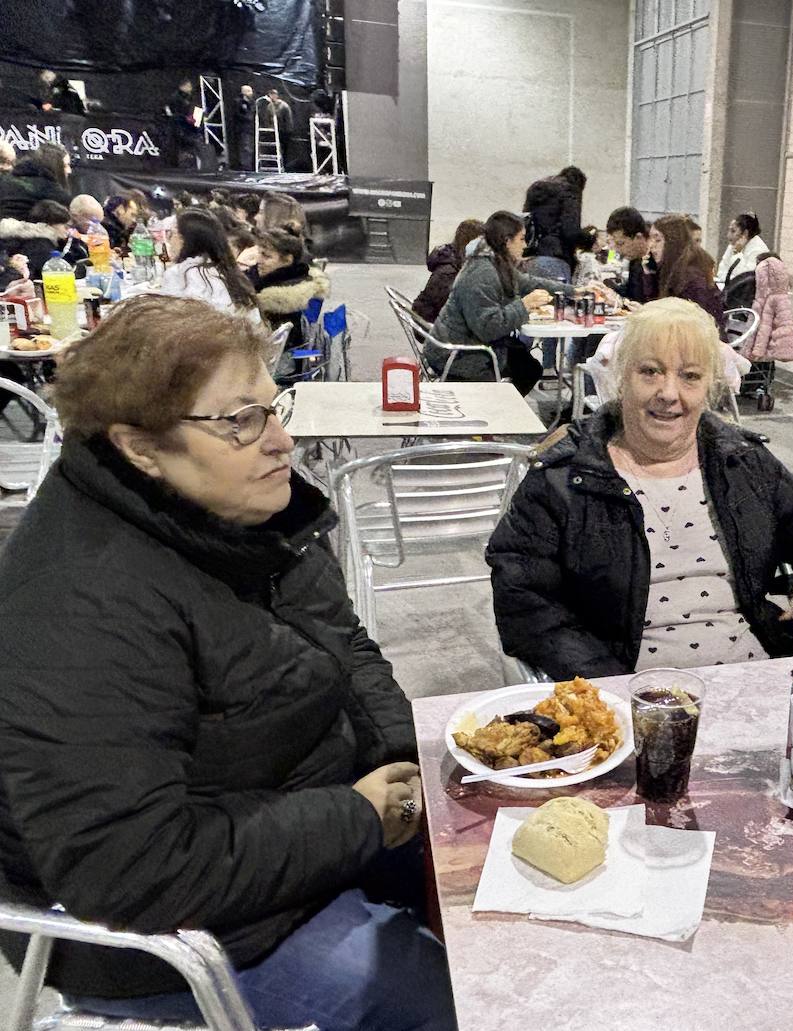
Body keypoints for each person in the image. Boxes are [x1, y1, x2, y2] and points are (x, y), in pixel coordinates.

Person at [0, 296, 457, 1031]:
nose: (280, 442)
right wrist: (363, 815)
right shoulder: (82, 603)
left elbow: (344, 648)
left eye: (274, 409)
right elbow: (130, 868)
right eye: (240, 421)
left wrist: (410, 766)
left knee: (497, 868)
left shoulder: (245, 511)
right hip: (176, 935)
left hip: (300, 825)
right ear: (140, 448)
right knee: (450, 997)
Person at [488, 298, 793, 679]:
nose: (669, 393)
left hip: (755, 675)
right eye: (651, 372)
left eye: (690, 376)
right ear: (622, 377)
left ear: (709, 386)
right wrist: (617, 690)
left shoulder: (741, 462)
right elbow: (525, 603)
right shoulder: (564, 477)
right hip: (626, 690)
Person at [431, 210, 579, 394]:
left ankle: (506, 405)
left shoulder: (494, 262)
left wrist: (576, 291)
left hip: (468, 341)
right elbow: (488, 328)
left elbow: (530, 283)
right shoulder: (483, 273)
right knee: (528, 370)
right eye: (522, 239)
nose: (525, 245)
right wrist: (524, 305)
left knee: (529, 366)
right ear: (507, 241)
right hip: (459, 353)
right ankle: (499, 407)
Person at [155, 208, 260, 318]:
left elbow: (169, 323)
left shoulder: (180, 274)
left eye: (171, 233)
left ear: (184, 239)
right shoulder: (232, 273)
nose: (168, 241)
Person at [249, 225, 329, 351]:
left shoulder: (284, 299)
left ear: (287, 260)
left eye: (266, 256)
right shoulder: (263, 280)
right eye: (259, 254)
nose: (258, 260)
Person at [650, 214, 725, 334]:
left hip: (702, 344)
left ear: (673, 243)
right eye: (651, 239)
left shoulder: (691, 278)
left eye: (658, 240)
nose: (651, 245)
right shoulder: (672, 270)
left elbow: (692, 326)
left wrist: (650, 315)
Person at [414, 219, 485, 324]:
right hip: (434, 325)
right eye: (482, 243)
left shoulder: (452, 260)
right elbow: (454, 307)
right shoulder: (448, 271)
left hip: (434, 318)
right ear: (471, 243)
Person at [522, 165, 586, 280]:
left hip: (531, 257)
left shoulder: (536, 189)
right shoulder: (570, 191)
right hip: (557, 257)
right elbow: (570, 231)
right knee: (559, 296)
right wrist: (590, 241)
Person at [0, 199, 85, 273]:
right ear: (51, 224)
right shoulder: (40, 245)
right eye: (65, 226)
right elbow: (56, 273)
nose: (67, 231)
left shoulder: (37, 240)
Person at [746, 255, 793, 364]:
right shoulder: (782, 296)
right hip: (773, 348)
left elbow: (764, 328)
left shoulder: (766, 300)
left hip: (760, 350)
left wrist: (757, 351)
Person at [0, 142, 72, 218]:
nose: (69, 171)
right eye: (65, 166)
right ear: (55, 166)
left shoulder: (8, 182)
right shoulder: (52, 191)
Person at [606, 205, 656, 304]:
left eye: (620, 244)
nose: (617, 250)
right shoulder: (635, 261)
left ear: (639, 237)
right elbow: (632, 294)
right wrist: (609, 290)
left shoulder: (656, 262)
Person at [715, 212, 770, 287]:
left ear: (745, 233)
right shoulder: (733, 244)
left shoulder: (758, 250)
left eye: (733, 231)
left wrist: (737, 253)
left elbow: (744, 278)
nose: (728, 235)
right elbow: (721, 270)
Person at [235, 84, 256, 170]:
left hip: (250, 129)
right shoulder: (238, 102)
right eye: (249, 91)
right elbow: (238, 114)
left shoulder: (252, 103)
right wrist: (248, 118)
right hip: (243, 129)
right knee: (245, 148)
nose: (251, 93)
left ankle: (249, 165)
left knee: (249, 148)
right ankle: (244, 166)